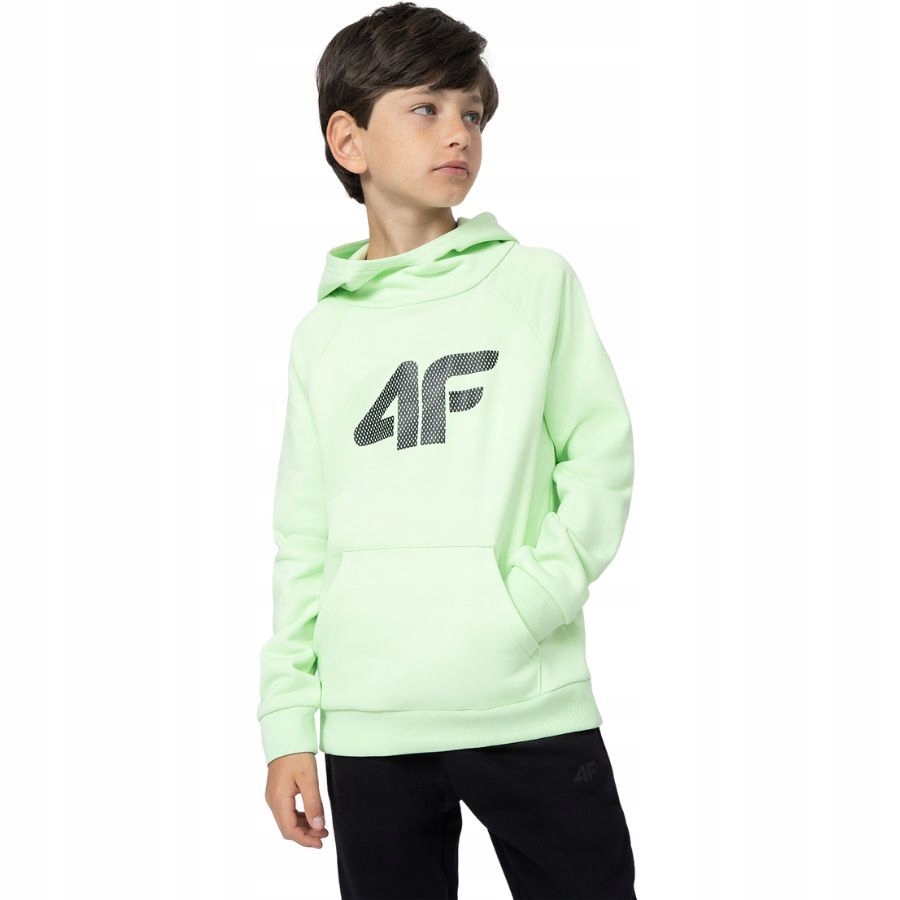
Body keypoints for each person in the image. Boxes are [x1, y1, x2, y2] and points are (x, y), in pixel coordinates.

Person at [257, 3, 638, 898]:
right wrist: (288, 723)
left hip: (525, 702)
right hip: (371, 720)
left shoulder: (533, 283)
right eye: (426, 109)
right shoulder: (322, 336)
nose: (459, 132)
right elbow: (303, 537)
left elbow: (600, 459)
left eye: (471, 112)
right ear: (348, 141)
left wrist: (527, 604)